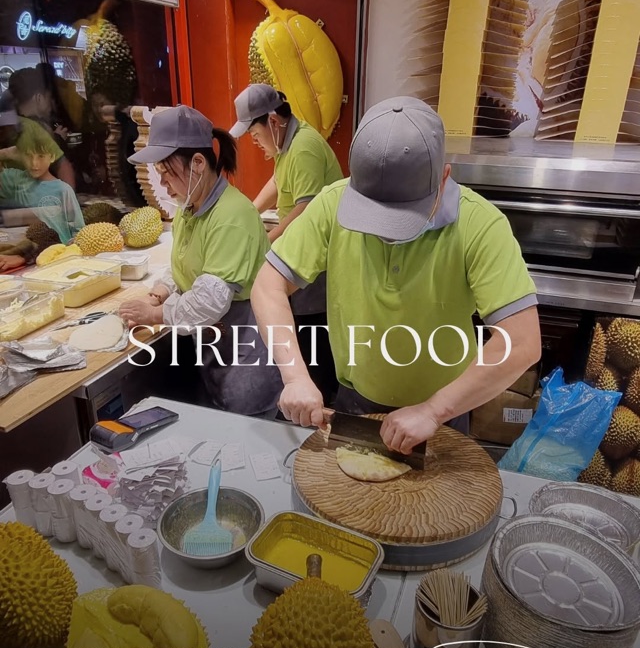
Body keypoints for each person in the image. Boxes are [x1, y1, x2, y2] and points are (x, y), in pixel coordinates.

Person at [250, 97, 541, 453]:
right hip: (355, 401)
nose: (386, 233)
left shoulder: (480, 225)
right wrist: (294, 376)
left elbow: (523, 341)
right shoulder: (333, 203)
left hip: (445, 412)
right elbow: (268, 284)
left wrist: (434, 410)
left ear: (444, 178)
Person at [119, 105, 282, 418]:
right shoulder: (189, 208)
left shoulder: (232, 216)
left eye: (167, 173)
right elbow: (187, 260)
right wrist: (163, 288)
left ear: (197, 163)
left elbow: (209, 302)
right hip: (215, 351)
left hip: (245, 354)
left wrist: (154, 314)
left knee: (247, 433)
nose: (163, 184)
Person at [230, 83, 342, 403]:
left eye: (255, 135)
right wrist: (248, 215)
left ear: (273, 123)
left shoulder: (304, 146)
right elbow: (278, 182)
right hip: (300, 254)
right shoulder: (288, 144)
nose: (255, 143)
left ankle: (318, 408)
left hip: (315, 264)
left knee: (312, 346)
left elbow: (306, 209)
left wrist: (267, 241)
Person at [0, 128, 84, 270]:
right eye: (28, 155)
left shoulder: (63, 190)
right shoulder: (16, 180)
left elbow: (79, 231)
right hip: (27, 259)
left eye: (40, 156)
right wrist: (6, 153)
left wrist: (71, 252)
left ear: (51, 156)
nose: (34, 163)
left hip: (57, 258)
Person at [7, 68, 75, 188]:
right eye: (48, 97)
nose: (51, 103)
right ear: (38, 98)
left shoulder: (8, 125)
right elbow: (63, 167)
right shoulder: (36, 128)